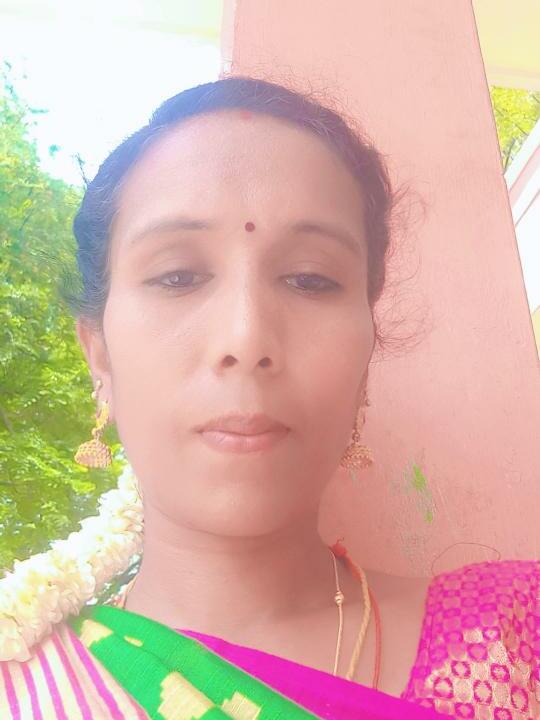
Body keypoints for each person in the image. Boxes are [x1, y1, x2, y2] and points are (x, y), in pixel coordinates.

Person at [0, 76, 537, 720]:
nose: (246, 337)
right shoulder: (28, 692)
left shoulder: (515, 637)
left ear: (367, 351)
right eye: (178, 275)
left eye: (310, 279)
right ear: (99, 353)